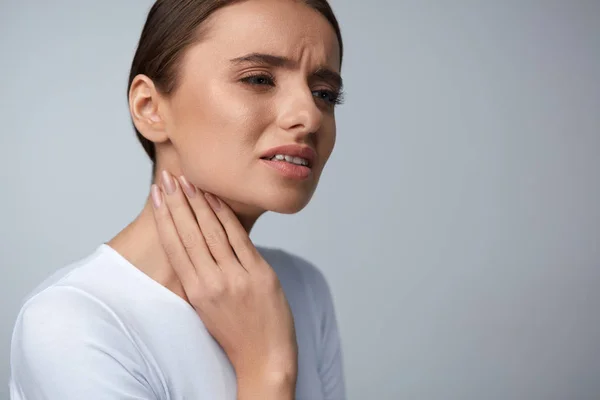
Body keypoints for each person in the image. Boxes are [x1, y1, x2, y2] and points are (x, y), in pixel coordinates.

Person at [9, 0, 346, 399]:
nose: (309, 114)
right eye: (259, 79)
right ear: (149, 108)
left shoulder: (304, 289)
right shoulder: (74, 322)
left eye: (324, 93)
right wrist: (267, 367)